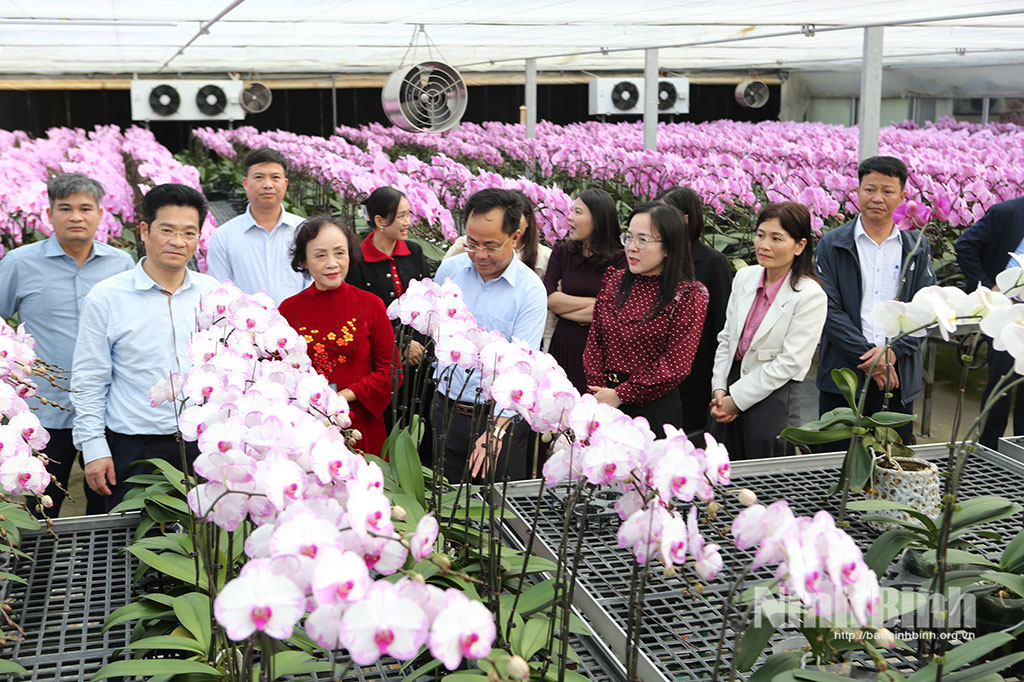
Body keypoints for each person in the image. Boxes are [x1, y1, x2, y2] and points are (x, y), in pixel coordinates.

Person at [72, 184, 218, 511]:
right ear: (144, 230)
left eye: (189, 233)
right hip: (132, 449)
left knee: (201, 546)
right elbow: (89, 378)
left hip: (201, 445)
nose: (178, 242)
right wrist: (94, 448)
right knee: (124, 548)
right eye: (166, 230)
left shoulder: (215, 295)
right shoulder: (108, 296)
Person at [0, 173, 133, 517]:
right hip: (44, 411)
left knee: (106, 505)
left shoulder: (121, 265)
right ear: (49, 214)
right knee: (40, 505)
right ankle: (35, 569)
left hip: (107, 408)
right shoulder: (19, 263)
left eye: (86, 208)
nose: (76, 217)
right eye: (66, 208)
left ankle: (104, 571)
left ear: (101, 215)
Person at [816, 156, 935, 447]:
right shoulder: (832, 244)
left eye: (887, 190)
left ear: (903, 197)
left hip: (897, 377)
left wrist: (892, 354)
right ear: (857, 192)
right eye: (869, 189)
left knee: (892, 462)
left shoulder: (916, 247)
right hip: (843, 375)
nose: (877, 198)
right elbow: (827, 309)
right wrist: (871, 357)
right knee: (834, 462)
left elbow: (927, 309)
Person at [431, 189, 548, 483]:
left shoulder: (530, 291)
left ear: (516, 237)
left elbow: (521, 369)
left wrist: (495, 430)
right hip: (447, 409)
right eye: (472, 243)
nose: (479, 254)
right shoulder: (451, 270)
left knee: (495, 511)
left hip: (499, 418)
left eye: (491, 245)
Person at [709, 202, 828, 459]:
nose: (764, 245)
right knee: (723, 469)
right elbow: (727, 338)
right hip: (730, 385)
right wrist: (719, 388)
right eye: (761, 235)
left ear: (800, 245)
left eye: (777, 238)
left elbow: (789, 362)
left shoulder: (809, 295)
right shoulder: (745, 277)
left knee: (764, 476)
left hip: (774, 398)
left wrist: (736, 399)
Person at [583, 202, 708, 439]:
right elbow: (594, 341)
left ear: (669, 247)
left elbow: (675, 364)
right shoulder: (615, 281)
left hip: (654, 408)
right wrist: (600, 392)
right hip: (603, 399)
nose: (631, 248)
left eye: (642, 240)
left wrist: (621, 395)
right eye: (628, 237)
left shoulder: (688, 295)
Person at [279, 215, 396, 457]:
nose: (332, 263)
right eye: (320, 255)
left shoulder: (370, 305)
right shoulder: (288, 311)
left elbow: (391, 372)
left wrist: (342, 397)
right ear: (304, 261)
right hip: (307, 423)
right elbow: (277, 375)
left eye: (339, 253)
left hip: (360, 424)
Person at [656, 186, 732, 436]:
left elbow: (721, 323)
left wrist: (718, 381)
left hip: (696, 373)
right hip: (657, 369)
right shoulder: (657, 256)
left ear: (685, 219)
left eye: (664, 214)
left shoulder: (712, 262)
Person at [954, 195, 1024, 449]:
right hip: (1007, 312)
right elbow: (965, 246)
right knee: (1000, 386)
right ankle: (988, 451)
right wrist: (985, 287)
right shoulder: (1008, 212)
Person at [543, 188, 625, 394]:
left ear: (598, 219)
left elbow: (616, 311)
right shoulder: (562, 251)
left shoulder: (620, 259)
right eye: (571, 211)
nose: (569, 217)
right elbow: (549, 299)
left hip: (600, 346)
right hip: (565, 341)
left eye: (578, 212)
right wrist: (597, 303)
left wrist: (564, 306)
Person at [206, 147, 307, 304]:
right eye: (259, 177)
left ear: (285, 184)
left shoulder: (305, 231)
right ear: (245, 183)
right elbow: (220, 291)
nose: (267, 185)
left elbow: (314, 281)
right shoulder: (224, 236)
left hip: (300, 323)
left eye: (275, 177)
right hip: (245, 326)